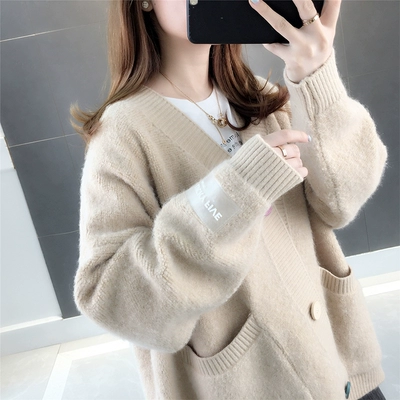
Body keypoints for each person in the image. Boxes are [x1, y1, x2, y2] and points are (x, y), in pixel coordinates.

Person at [71, 0, 388, 398]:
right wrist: (237, 190)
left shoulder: (261, 97)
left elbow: (341, 202)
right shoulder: (121, 133)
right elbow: (111, 297)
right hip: (253, 382)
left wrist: (317, 75)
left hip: (343, 366)